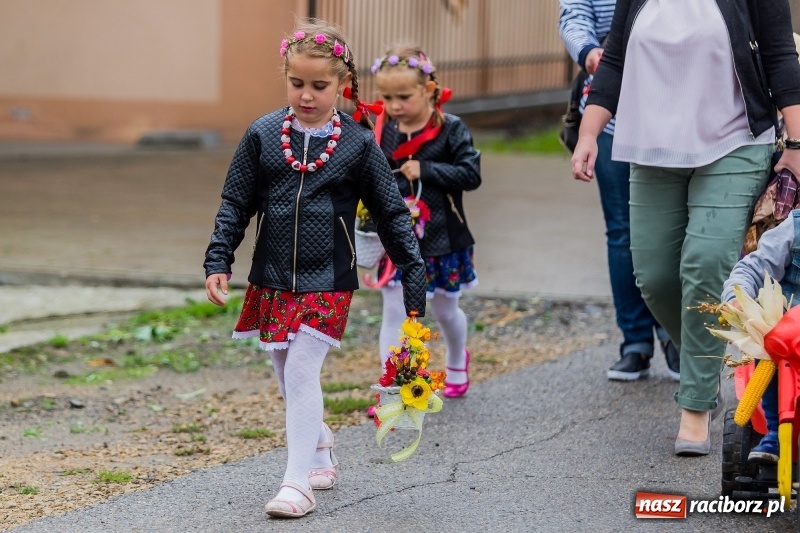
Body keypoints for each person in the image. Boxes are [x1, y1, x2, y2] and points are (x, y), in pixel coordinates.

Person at [203, 20, 427, 518]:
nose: (307, 95)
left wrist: (413, 273)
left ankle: (295, 484)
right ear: (286, 78)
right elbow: (235, 202)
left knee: (303, 370)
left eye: (320, 86)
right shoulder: (262, 135)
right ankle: (320, 443)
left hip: (329, 278)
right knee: (284, 373)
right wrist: (219, 258)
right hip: (272, 276)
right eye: (297, 83)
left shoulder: (357, 144)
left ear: (342, 85)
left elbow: (391, 212)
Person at [571, 0, 800, 456]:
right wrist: (589, 133)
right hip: (652, 144)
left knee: (706, 264)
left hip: (736, 140)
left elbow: (779, 55)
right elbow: (614, 59)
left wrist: (796, 144)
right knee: (654, 276)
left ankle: (694, 405)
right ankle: (709, 362)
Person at [559, 0, 679, 382]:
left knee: (672, 230)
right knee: (622, 232)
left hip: (674, 115)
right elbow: (574, 14)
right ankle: (635, 343)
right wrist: (589, 51)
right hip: (610, 117)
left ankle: (676, 335)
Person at [368, 44, 481, 407]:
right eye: (386, 97)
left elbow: (471, 173)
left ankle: (456, 359)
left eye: (403, 96)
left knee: (446, 311)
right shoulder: (384, 129)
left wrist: (428, 170)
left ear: (428, 90)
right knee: (393, 313)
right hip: (398, 240)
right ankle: (395, 390)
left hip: (443, 240)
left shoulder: (451, 130)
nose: (394, 105)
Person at [722, 209, 800, 463]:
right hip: (788, 340)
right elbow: (752, 267)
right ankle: (776, 432)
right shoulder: (792, 230)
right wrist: (738, 296)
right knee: (771, 354)